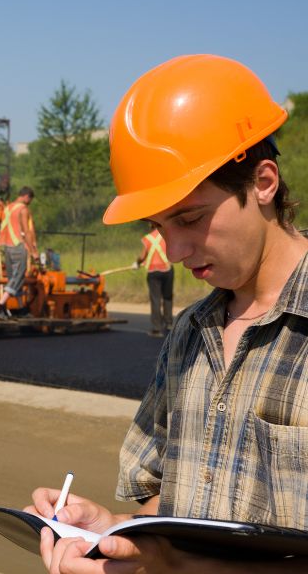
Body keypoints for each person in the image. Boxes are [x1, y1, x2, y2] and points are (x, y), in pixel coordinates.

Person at [27, 54, 308, 573]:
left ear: (263, 182)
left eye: (190, 217)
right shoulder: (188, 334)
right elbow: (166, 502)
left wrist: (173, 564)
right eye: (160, 226)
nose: (175, 250)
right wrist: (112, 531)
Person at [0, 186, 39, 319]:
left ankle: (21, 307)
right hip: (18, 245)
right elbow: (26, 231)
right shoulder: (23, 209)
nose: (29, 203)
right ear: (27, 196)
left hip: (6, 246)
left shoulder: (8, 208)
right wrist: (34, 251)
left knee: (13, 279)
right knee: (18, 277)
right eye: (30, 200)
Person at [135, 222, 173, 337]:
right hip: (167, 270)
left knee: (156, 299)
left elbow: (142, 257)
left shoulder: (148, 238)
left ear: (150, 226)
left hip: (153, 272)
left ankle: (157, 329)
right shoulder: (166, 236)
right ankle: (169, 323)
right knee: (167, 297)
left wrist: (137, 263)